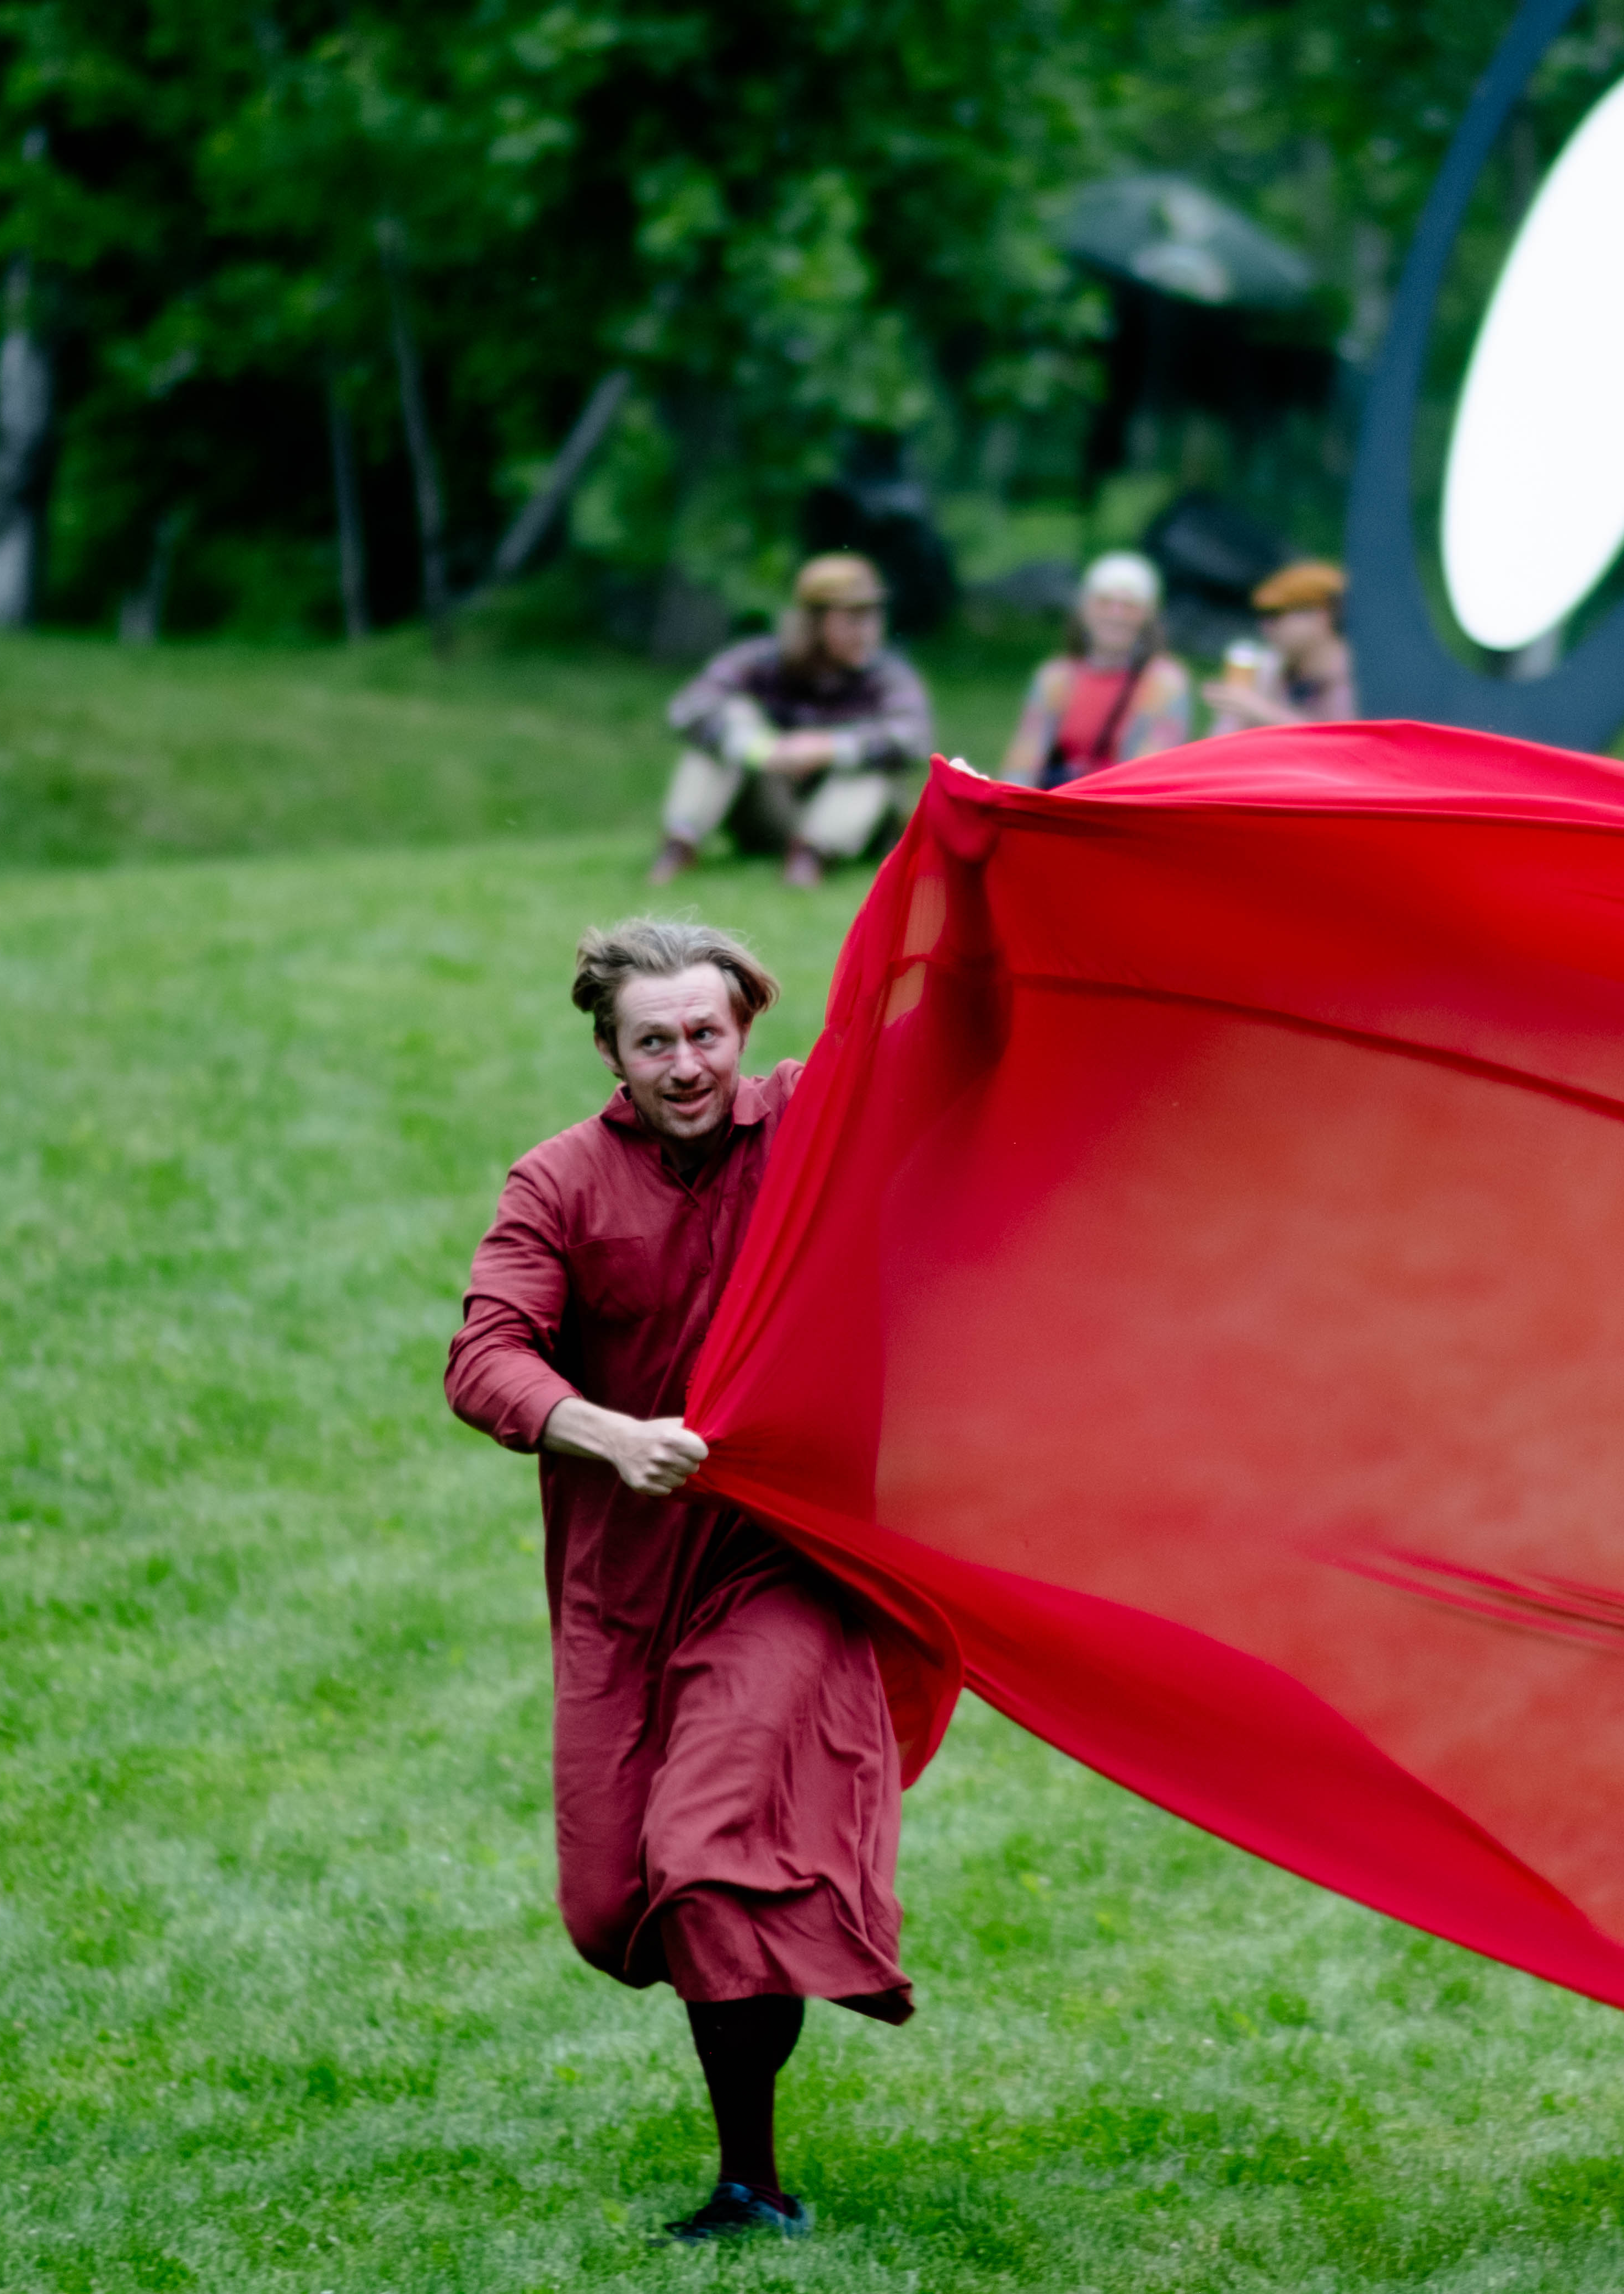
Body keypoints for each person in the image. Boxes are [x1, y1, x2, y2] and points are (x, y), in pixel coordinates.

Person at [447, 920, 931, 2244]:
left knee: (713, 1861)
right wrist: (609, 1434)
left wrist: (985, 853)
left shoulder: (820, 1122)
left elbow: (964, 1031)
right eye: (652, 1040)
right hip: (622, 1589)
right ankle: (754, 2020)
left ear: (744, 1029)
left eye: (705, 1034)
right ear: (610, 1051)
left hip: (786, 1564)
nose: (685, 1064)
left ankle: (750, 2182)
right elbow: (484, 1360)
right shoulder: (558, 1181)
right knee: (616, 1904)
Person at [653, 554, 935, 888]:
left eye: (872, 617)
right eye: (852, 619)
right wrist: (762, 749)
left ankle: (811, 859)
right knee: (730, 717)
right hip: (770, 803)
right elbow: (687, 709)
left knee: (876, 764)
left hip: (846, 819)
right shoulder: (761, 661)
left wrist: (829, 748)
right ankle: (680, 846)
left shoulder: (887, 676)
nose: (867, 632)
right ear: (814, 622)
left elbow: (915, 738)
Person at [997, 551, 1192, 785]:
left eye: (1129, 606)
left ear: (1147, 615)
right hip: (1060, 799)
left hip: (1119, 800)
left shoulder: (1163, 683)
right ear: (1085, 609)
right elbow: (1024, 758)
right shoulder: (1057, 678)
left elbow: (1152, 772)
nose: (1115, 615)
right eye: (1104, 602)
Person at [1204, 559, 1357, 733]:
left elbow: (1341, 742)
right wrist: (1236, 710)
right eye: (1263, 618)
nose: (1266, 628)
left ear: (1320, 615)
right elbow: (1223, 739)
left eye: (1276, 615)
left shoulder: (1356, 678)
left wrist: (1262, 710)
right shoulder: (1275, 669)